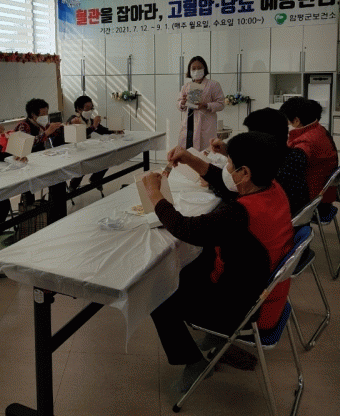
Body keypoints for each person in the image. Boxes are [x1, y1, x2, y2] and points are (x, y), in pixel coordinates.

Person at [142, 132, 294, 392]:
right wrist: (190, 159)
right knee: (194, 261)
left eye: (230, 164)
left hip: (245, 307)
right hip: (265, 292)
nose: (227, 169)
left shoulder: (239, 214)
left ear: (245, 173)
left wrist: (154, 194)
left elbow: (185, 228)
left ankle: (193, 362)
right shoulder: (273, 188)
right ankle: (217, 338)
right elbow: (227, 187)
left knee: (157, 290)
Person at [211, 107, 309, 216]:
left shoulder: (272, 169)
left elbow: (238, 195)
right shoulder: (295, 154)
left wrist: (211, 183)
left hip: (279, 218)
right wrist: (228, 151)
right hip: (295, 213)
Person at [13, 98, 66, 219]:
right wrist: (47, 133)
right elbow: (26, 144)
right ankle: (32, 216)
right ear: (33, 114)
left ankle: (56, 215)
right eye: (43, 114)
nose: (46, 116)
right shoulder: (23, 126)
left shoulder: (42, 125)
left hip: (42, 161)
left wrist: (62, 127)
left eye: (47, 113)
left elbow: (55, 135)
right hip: (27, 165)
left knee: (59, 179)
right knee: (32, 188)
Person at [279, 97, 338, 204]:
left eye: (287, 121)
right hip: (323, 193)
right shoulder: (319, 130)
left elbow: (285, 175)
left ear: (296, 121)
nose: (286, 125)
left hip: (311, 198)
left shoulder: (304, 144)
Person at [66, 95, 119, 193]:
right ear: (79, 109)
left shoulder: (89, 120)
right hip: (74, 150)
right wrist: (94, 126)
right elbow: (80, 135)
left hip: (86, 148)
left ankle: (95, 179)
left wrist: (115, 131)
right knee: (83, 164)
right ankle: (73, 185)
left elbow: (102, 130)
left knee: (106, 158)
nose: (90, 111)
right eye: (87, 108)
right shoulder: (73, 119)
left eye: (91, 108)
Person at [177, 56, 224, 151]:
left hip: (205, 125)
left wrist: (206, 105)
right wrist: (183, 102)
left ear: (204, 69)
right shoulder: (186, 86)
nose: (196, 71)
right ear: (190, 71)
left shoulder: (213, 85)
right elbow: (179, 104)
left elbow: (221, 104)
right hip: (188, 124)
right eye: (193, 68)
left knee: (204, 153)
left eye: (199, 68)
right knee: (187, 152)